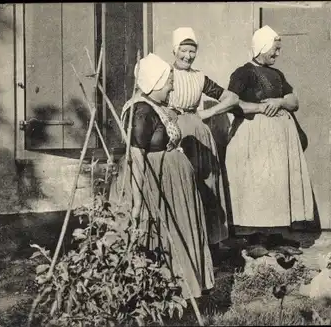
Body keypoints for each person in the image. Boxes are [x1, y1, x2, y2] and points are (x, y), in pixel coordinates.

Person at [109, 53, 214, 300]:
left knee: (175, 236)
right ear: (154, 83)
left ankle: (180, 289)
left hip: (170, 184)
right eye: (168, 82)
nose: (172, 86)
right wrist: (136, 203)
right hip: (156, 185)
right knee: (160, 236)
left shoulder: (154, 107)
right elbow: (136, 156)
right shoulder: (140, 111)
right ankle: (161, 291)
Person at [225, 25, 315, 237]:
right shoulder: (243, 73)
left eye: (278, 49)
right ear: (262, 47)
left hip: (278, 140)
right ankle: (255, 236)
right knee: (258, 183)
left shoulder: (277, 74)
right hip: (254, 137)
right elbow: (230, 102)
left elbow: (294, 101)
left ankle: (274, 234)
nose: (277, 53)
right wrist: (259, 108)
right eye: (274, 48)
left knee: (276, 183)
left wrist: (279, 101)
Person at [168, 27, 239, 253]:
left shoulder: (199, 78)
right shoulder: (164, 74)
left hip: (199, 135)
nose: (188, 56)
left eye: (192, 51)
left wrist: (207, 114)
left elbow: (232, 97)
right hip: (175, 135)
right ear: (174, 49)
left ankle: (211, 243)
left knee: (206, 185)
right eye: (183, 50)